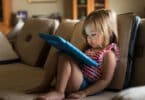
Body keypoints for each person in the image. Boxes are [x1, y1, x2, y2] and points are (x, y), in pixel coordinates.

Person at [32, 9, 120, 100]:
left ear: (109, 32)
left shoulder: (108, 54)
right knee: (58, 54)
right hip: (74, 77)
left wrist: (84, 93)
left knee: (65, 57)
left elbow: (105, 80)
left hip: (83, 84)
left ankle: (59, 92)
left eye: (93, 35)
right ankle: (45, 85)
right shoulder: (88, 48)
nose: (89, 39)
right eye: (87, 35)